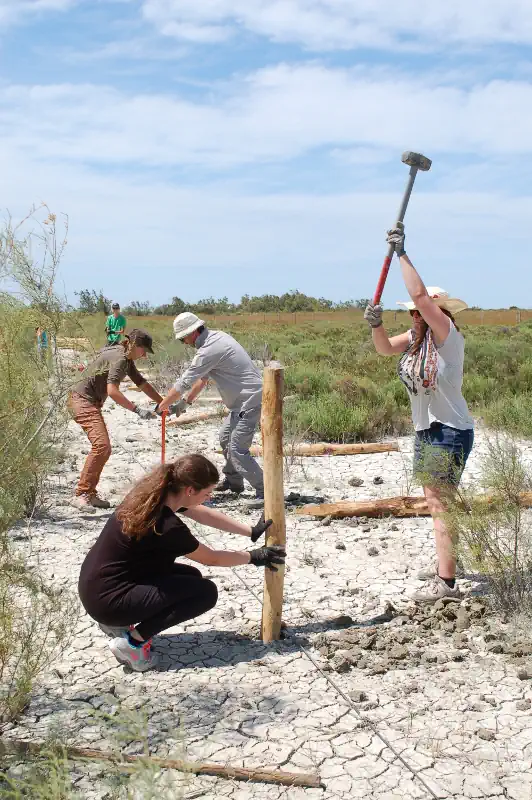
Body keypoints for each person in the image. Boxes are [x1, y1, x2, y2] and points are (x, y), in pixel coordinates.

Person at [78, 454, 283, 672]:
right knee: (204, 593)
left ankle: (118, 624)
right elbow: (211, 559)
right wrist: (253, 557)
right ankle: (132, 643)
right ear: (190, 491)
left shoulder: (152, 495)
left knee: (190, 577)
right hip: (109, 602)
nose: (209, 497)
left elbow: (203, 515)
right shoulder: (166, 525)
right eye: (207, 493)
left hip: (96, 587)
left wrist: (250, 531)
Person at [364, 222, 474, 602]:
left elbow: (420, 294)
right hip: (427, 430)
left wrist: (402, 254)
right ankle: (447, 569)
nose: (413, 316)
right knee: (436, 502)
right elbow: (383, 349)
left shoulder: (445, 334)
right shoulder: (417, 339)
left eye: (417, 312)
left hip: (448, 430)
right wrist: (376, 325)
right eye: (411, 314)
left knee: (440, 503)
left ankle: (446, 584)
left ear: (435, 311)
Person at [157, 312, 265, 508]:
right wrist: (184, 404)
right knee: (225, 437)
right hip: (240, 403)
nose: (183, 342)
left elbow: (185, 381)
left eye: (183, 338)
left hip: (249, 401)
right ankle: (234, 482)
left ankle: (264, 491)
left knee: (237, 448)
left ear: (193, 332)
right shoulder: (215, 339)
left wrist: (162, 405)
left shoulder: (210, 349)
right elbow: (202, 380)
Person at [68, 329, 163, 510]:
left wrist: (163, 402)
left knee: (103, 448)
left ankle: (89, 493)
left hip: (86, 400)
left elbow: (141, 383)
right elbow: (113, 391)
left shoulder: (124, 356)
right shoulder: (120, 359)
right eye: (143, 351)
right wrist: (137, 410)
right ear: (135, 346)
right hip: (81, 401)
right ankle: (82, 494)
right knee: (102, 447)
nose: (144, 356)